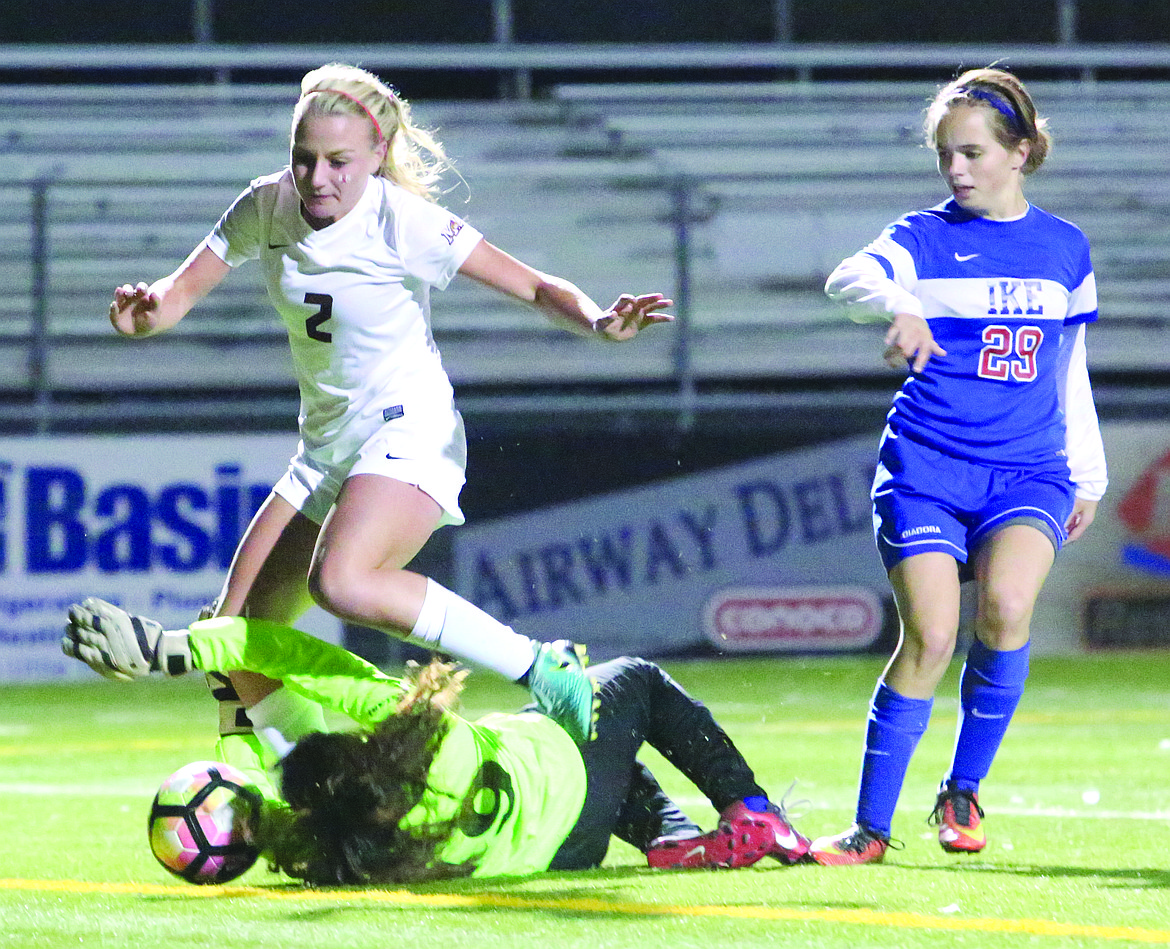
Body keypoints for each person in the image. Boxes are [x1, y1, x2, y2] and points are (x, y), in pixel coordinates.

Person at [106, 63, 673, 753]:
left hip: (410, 429)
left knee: (341, 579)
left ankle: (538, 663)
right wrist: (145, 316)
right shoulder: (265, 205)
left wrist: (595, 320)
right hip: (324, 450)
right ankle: (304, 784)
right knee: (237, 636)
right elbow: (175, 295)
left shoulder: (400, 219)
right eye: (304, 158)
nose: (318, 178)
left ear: (377, 156)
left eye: (339, 161)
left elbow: (530, 285)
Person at [810, 68, 1108, 865]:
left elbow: (1068, 365)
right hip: (927, 467)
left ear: (1021, 152)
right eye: (946, 154)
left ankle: (963, 789)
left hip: (1028, 469)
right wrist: (900, 306)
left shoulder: (1064, 246)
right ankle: (870, 828)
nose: (956, 170)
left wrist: (1090, 472)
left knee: (1008, 608)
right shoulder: (922, 235)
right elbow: (847, 277)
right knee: (932, 636)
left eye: (973, 152)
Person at [62, 596, 811, 880]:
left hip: (561, 849)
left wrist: (222, 675)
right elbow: (291, 657)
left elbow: (271, 743)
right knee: (625, 688)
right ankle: (751, 812)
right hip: (567, 784)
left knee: (566, 743)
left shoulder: (334, 846)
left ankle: (671, 834)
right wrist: (181, 647)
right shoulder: (418, 737)